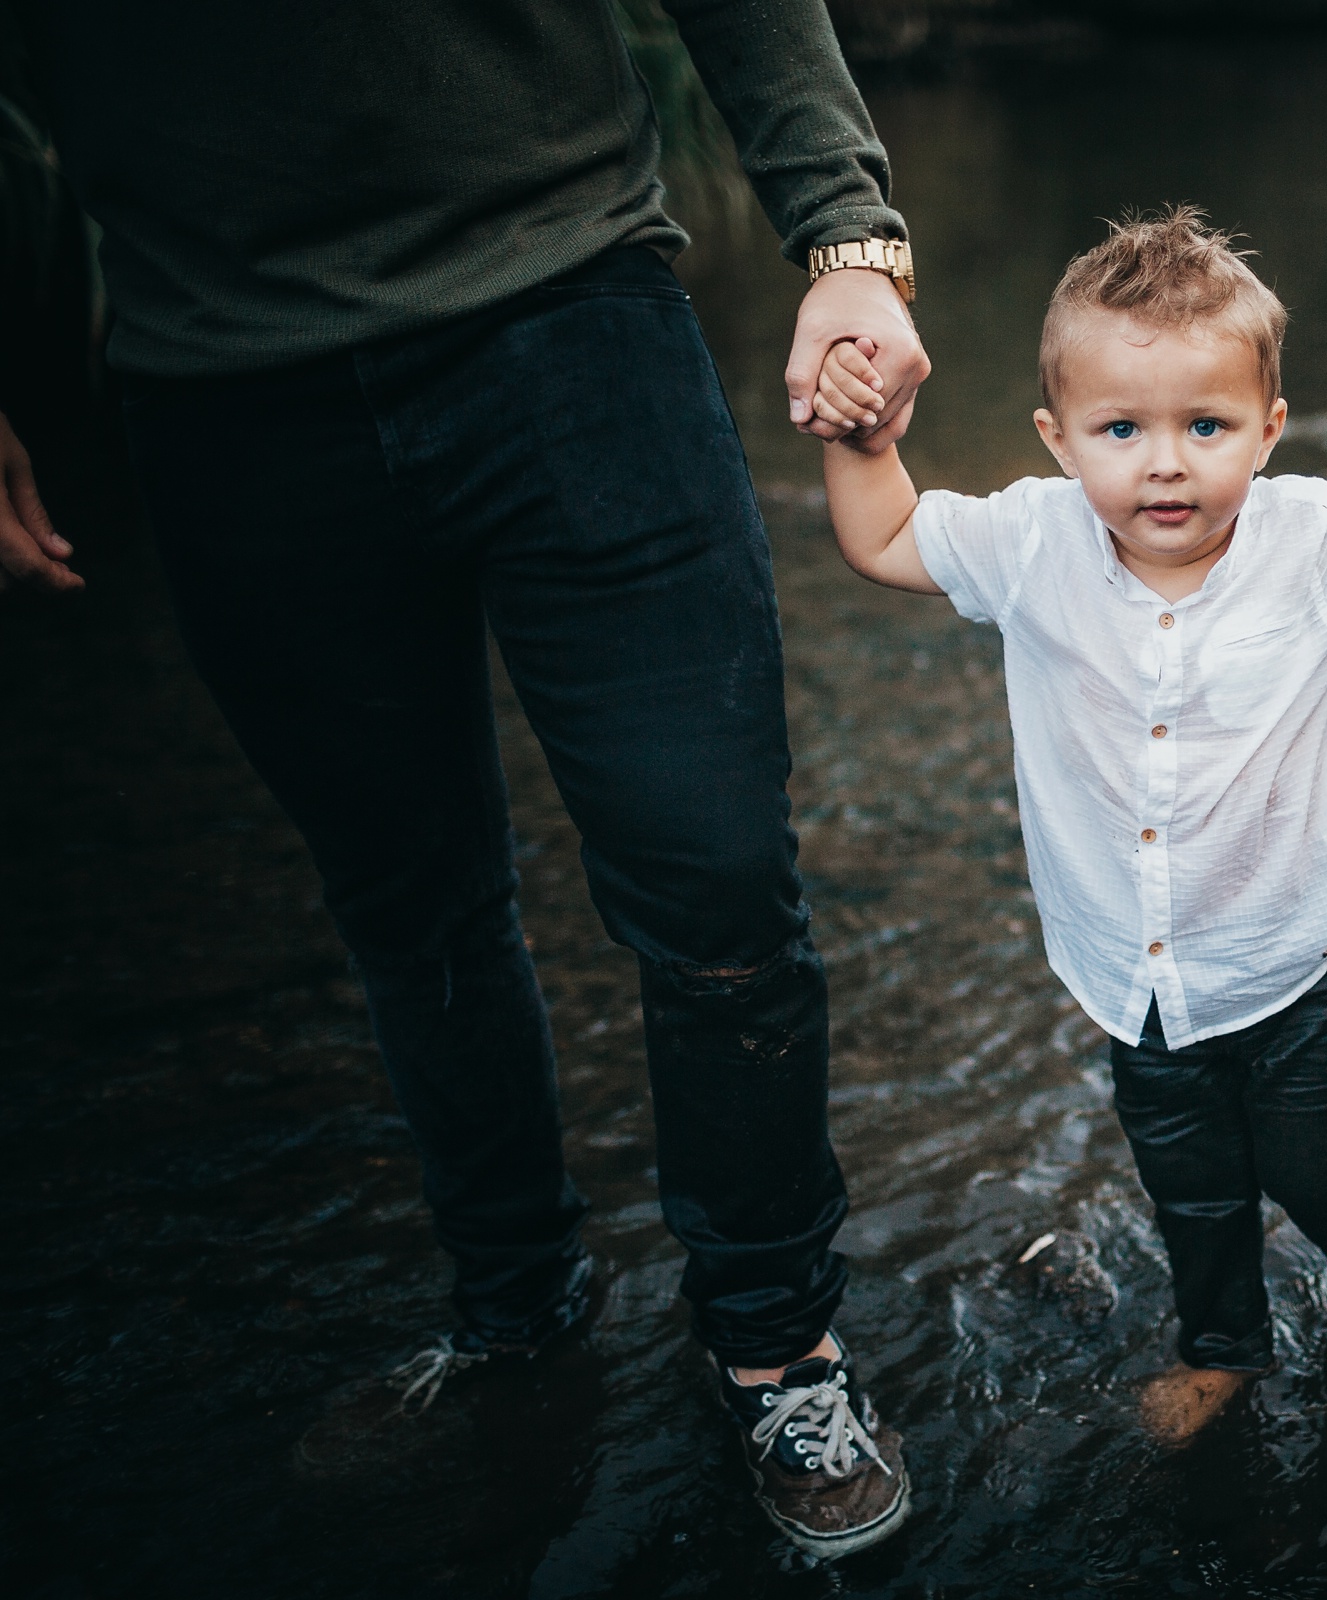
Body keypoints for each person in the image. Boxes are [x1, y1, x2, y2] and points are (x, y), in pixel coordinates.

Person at [1, 0, 935, 1559]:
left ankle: (780, 1350)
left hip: (572, 318)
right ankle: (515, 1318)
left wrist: (848, 231)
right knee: (408, 901)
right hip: (221, 390)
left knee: (715, 878)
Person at [809, 209, 1327, 1442]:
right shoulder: (1028, 544)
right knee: (1192, 1186)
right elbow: (886, 534)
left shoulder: (1316, 545)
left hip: (1306, 956)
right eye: (1122, 430)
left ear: (1268, 430)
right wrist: (862, 433)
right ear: (1059, 441)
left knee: (1316, 1163)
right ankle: (1222, 1343)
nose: (1164, 464)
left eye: (1205, 426)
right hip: (1140, 972)